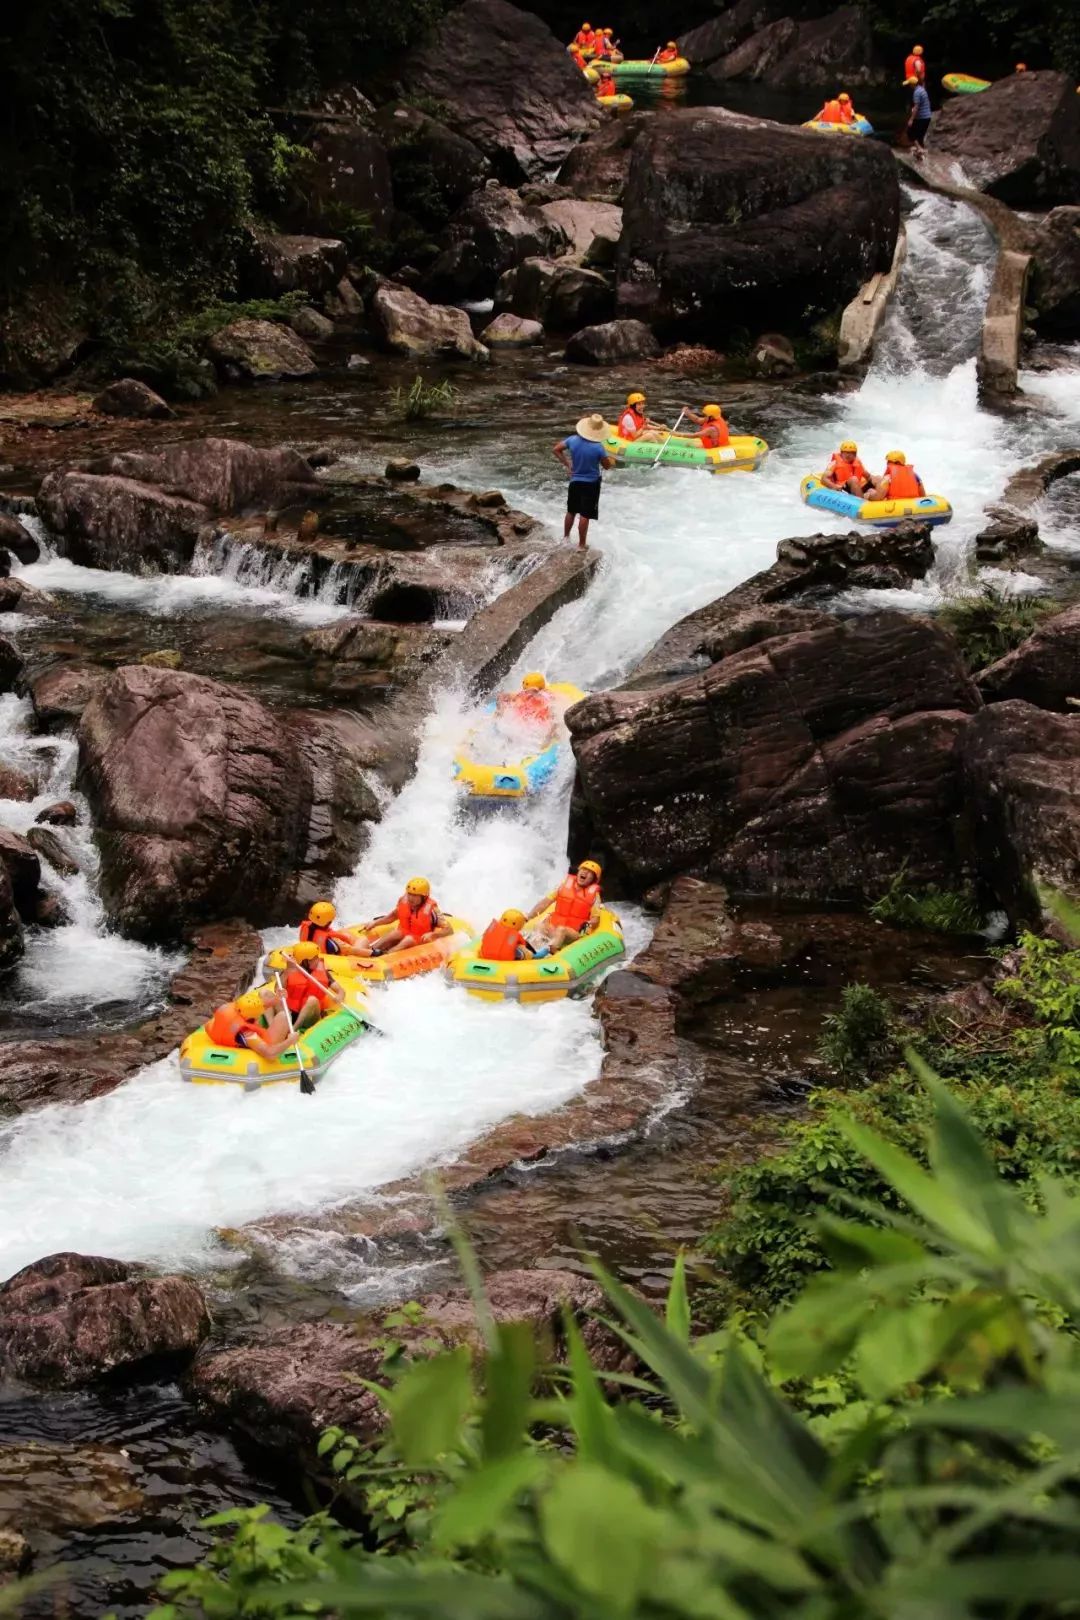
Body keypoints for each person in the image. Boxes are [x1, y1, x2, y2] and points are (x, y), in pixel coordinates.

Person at [553, 413, 614, 549]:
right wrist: (609, 460)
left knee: (571, 511)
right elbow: (607, 466)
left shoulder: (573, 440)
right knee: (585, 515)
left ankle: (566, 538)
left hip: (575, 481)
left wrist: (568, 464)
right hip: (591, 484)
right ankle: (581, 545)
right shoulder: (598, 447)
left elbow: (556, 449)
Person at [356, 876, 453, 957]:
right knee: (395, 933)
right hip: (403, 932)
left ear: (424, 897)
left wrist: (433, 935)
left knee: (408, 940)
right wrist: (375, 923)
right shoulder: (404, 902)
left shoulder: (432, 910)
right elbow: (392, 916)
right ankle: (371, 950)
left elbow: (449, 930)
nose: (411, 898)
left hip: (419, 938)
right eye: (409, 894)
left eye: (415, 895)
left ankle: (386, 956)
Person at [525, 860, 603, 954]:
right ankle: (531, 951)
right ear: (578, 872)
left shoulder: (594, 895)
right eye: (583, 869)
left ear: (593, 879)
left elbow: (595, 919)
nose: (585, 872)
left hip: (573, 932)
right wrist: (529, 917)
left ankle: (550, 952)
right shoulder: (562, 885)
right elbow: (544, 903)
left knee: (562, 930)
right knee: (540, 925)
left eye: (590, 872)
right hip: (554, 927)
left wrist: (588, 923)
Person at [267, 943, 344, 1032]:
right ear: (305, 961)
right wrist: (287, 971)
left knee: (312, 999)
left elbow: (340, 990)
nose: (318, 960)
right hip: (290, 1012)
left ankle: (293, 1030)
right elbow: (278, 990)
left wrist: (340, 996)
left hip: (310, 1016)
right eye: (315, 958)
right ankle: (271, 1027)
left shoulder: (323, 972)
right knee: (265, 993)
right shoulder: (289, 971)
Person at [205, 986, 294, 1059]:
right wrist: (290, 1041)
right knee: (284, 1016)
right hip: (252, 1050)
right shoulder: (248, 1034)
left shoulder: (233, 1008)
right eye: (261, 1010)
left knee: (264, 993)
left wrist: (277, 999)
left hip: (227, 1036)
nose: (263, 1010)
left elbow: (261, 1005)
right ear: (252, 1017)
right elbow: (269, 1054)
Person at [297, 899, 368, 957]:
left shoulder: (306, 927)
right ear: (329, 922)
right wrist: (373, 953)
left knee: (344, 931)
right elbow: (351, 950)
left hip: (312, 953)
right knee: (363, 939)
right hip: (342, 960)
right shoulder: (331, 942)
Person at [908, 79, 932, 157]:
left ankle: (919, 149)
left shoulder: (917, 92)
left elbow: (916, 107)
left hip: (922, 117)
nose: (909, 86)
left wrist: (911, 119)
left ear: (912, 84)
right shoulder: (922, 89)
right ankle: (921, 151)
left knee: (910, 132)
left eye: (909, 84)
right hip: (927, 116)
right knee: (920, 135)